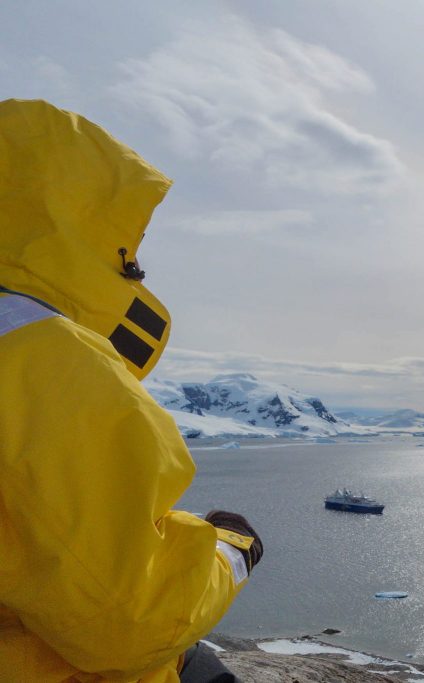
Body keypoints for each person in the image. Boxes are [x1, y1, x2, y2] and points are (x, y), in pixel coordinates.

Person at [0, 99, 262, 682]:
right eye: (127, 242)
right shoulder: (39, 357)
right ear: (70, 224)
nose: (136, 263)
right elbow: (128, 618)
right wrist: (230, 550)